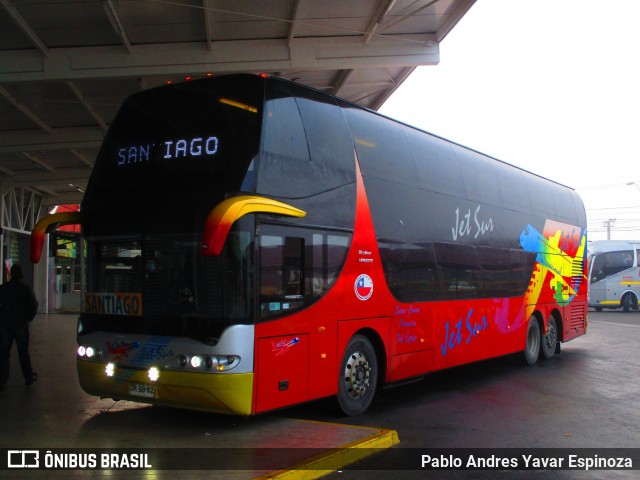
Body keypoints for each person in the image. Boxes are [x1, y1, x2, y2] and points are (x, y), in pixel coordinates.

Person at [0, 264, 39, 391]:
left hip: (5, 325)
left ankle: (2, 380)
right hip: (21, 324)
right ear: (21, 274)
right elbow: (34, 305)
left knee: (4, 353)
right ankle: (28, 377)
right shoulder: (25, 289)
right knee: (23, 352)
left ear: (10, 274)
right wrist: (28, 318)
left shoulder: (3, 288)